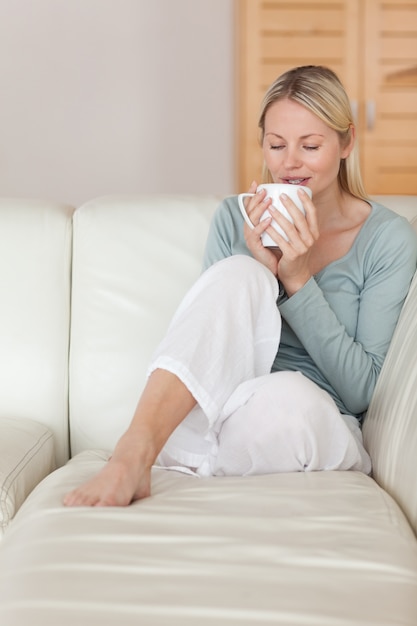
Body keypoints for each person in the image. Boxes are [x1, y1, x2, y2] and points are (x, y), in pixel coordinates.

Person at [64, 65, 417, 507]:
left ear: (346, 142)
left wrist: (296, 277)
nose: (290, 162)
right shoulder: (236, 218)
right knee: (240, 274)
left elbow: (362, 389)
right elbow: (210, 340)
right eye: (276, 145)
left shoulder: (387, 239)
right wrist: (260, 265)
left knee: (292, 398)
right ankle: (133, 452)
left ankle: (187, 463)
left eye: (310, 145)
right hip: (222, 410)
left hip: (308, 418)